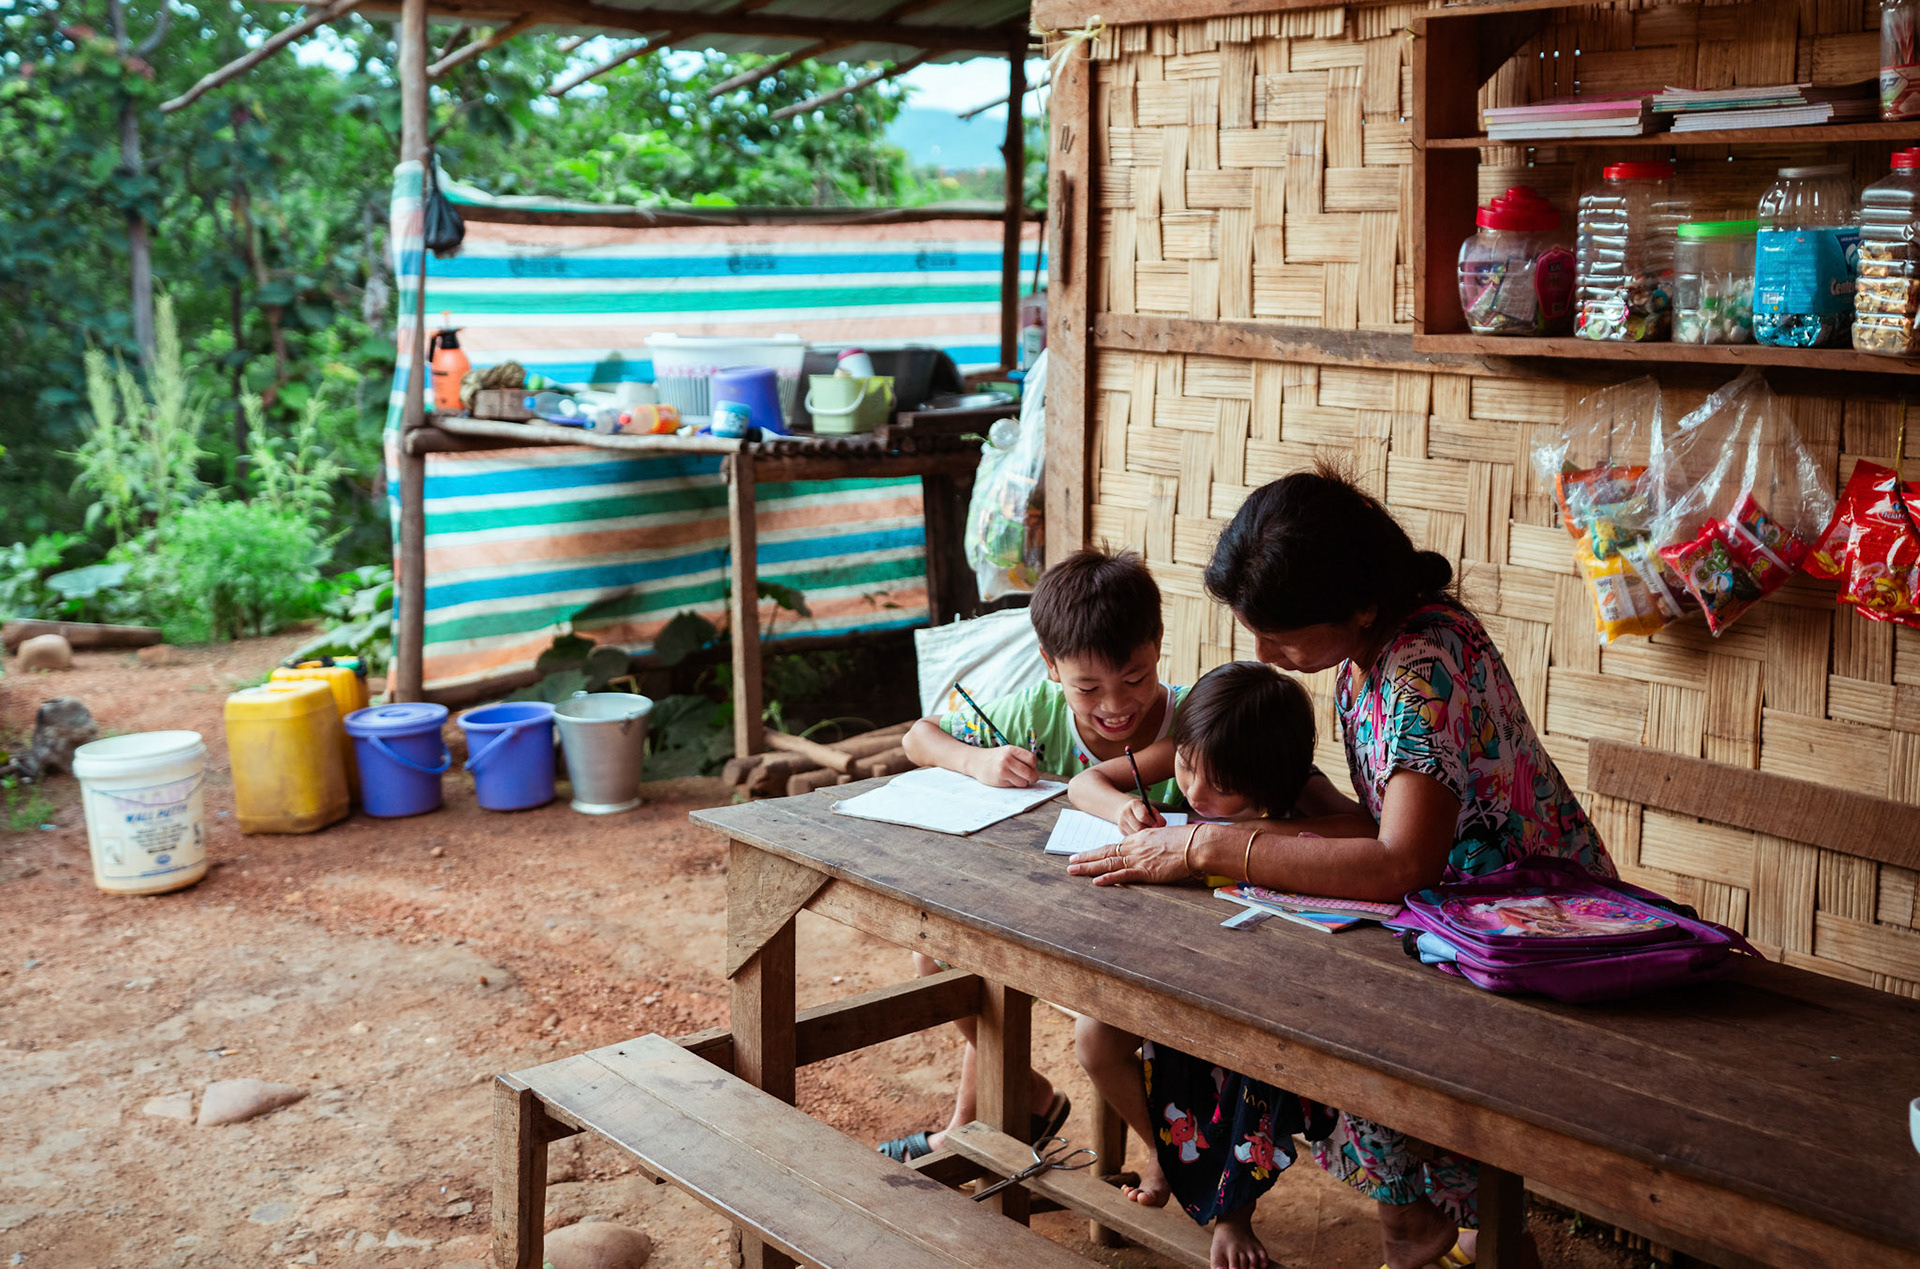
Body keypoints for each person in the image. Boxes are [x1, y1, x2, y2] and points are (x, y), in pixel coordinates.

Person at [1068, 467, 1609, 1269]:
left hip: (1529, 925)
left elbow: (1401, 858)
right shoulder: (1372, 648)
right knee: (1318, 1016)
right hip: (1454, 919)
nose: (1262, 654)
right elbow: (1370, 826)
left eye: (1281, 637)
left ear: (1355, 606)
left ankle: (1451, 1231)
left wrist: (1209, 845)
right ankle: (1425, 1226)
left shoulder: (1424, 665)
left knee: (1348, 1036)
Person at [880, 546, 1191, 1162]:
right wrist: (978, 759)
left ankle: (980, 1126)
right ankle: (1009, 1106)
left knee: (1073, 1020)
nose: (1115, 706)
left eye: (1134, 678)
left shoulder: (1193, 721)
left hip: (1159, 941)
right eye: (1088, 687)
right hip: (1048, 922)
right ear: (1051, 665)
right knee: (937, 958)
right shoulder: (1033, 714)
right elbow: (918, 737)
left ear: (1157, 643)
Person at [1069, 661, 1377, 1263]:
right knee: (1094, 1038)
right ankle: (1161, 1152)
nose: (1194, 792)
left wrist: (1268, 832)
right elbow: (1087, 784)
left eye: (1219, 785)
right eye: (1185, 766)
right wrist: (1123, 811)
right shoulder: (1195, 749)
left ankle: (1232, 1216)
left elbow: (1366, 829)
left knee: (1233, 1073)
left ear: (1269, 779)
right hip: (1164, 964)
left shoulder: (1294, 788)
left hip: (1250, 988)